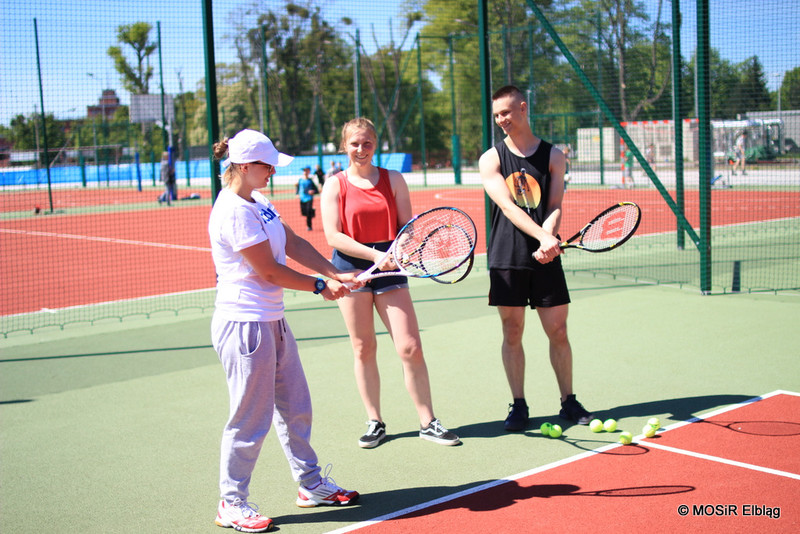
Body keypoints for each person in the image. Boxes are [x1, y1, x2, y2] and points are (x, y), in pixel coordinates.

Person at [208, 129, 361, 533]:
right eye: (266, 164)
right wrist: (317, 286)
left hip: (272, 321)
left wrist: (334, 272)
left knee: (296, 406)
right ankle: (231, 502)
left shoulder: (257, 201)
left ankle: (311, 485)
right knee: (250, 419)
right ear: (243, 165)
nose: (273, 170)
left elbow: (291, 242)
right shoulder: (233, 211)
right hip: (244, 326)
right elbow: (270, 270)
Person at [320, 117, 460, 449]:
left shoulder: (393, 179)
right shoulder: (335, 184)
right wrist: (374, 256)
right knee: (363, 347)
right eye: (354, 143)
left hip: (391, 265)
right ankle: (375, 421)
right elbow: (333, 235)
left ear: (376, 144)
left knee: (410, 346)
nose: (361, 149)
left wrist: (400, 249)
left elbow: (407, 226)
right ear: (344, 146)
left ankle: (428, 422)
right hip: (350, 269)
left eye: (367, 143)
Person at [478, 86, 593, 432]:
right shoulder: (492, 158)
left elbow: (555, 204)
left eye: (507, 113)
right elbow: (508, 206)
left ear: (523, 108)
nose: (501, 120)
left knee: (558, 330)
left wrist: (550, 234)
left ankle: (568, 401)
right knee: (512, 330)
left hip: (547, 257)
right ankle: (519, 405)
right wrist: (543, 236)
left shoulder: (554, 156)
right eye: (497, 115)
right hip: (506, 256)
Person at [297, 166, 318, 231]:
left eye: (306, 170)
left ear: (309, 171)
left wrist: (313, 191)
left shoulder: (310, 181)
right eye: (304, 171)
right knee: (304, 212)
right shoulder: (300, 180)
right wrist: (297, 193)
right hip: (302, 198)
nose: (305, 172)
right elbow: (298, 188)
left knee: (308, 212)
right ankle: (312, 211)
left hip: (309, 198)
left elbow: (316, 190)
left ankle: (309, 226)